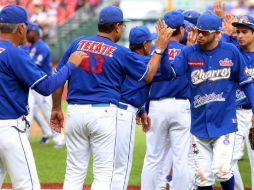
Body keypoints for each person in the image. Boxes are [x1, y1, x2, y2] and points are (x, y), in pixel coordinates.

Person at [50, 5, 175, 190]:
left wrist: (56, 108)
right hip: (104, 112)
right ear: (117, 26)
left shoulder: (77, 43)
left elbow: (58, 78)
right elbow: (149, 75)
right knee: (104, 173)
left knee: (74, 171)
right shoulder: (119, 51)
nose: (122, 29)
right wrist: (159, 50)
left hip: (74, 111)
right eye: (122, 26)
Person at [0, 4, 86, 189]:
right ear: (21, 27)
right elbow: (46, 87)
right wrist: (70, 66)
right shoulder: (14, 53)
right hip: (8, 128)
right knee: (27, 185)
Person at [172, 12, 254, 190]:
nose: (200, 35)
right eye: (198, 31)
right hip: (199, 125)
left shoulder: (230, 51)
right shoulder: (188, 52)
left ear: (217, 34)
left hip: (225, 122)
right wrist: (161, 49)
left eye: (205, 32)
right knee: (202, 177)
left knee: (223, 170)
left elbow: (246, 82)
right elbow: (168, 73)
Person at [111, 25, 175, 190]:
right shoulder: (147, 61)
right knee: (121, 168)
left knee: (108, 166)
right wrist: (163, 49)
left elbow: (127, 88)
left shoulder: (123, 58)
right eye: (150, 42)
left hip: (110, 111)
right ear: (146, 44)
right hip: (124, 115)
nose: (152, 44)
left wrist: (142, 110)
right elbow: (168, 74)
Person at [140, 11, 193, 190]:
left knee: (153, 157)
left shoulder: (154, 52)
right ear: (180, 29)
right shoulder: (188, 51)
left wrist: (144, 110)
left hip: (156, 106)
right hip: (181, 106)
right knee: (181, 159)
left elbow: (145, 83)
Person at [26, 22, 65, 148]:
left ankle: (59, 138)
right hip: (32, 85)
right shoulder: (30, 47)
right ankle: (47, 133)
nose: (27, 34)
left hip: (43, 84)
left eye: (29, 31)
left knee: (48, 111)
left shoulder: (42, 46)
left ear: (37, 33)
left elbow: (33, 66)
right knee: (31, 111)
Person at [230, 15, 254, 190]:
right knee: (227, 162)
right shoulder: (232, 54)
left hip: (253, 114)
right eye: (237, 31)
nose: (240, 35)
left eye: (244, 32)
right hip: (235, 113)